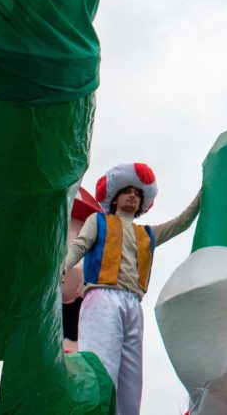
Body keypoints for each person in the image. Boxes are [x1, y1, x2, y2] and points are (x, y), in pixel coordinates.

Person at [64, 162, 201, 415]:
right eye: (127, 191)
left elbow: (181, 222)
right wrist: (63, 267)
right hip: (102, 297)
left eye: (137, 193)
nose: (132, 196)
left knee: (131, 381)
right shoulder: (98, 221)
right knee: (100, 370)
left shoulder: (148, 234)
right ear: (115, 197)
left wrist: (203, 193)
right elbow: (79, 246)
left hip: (133, 304)